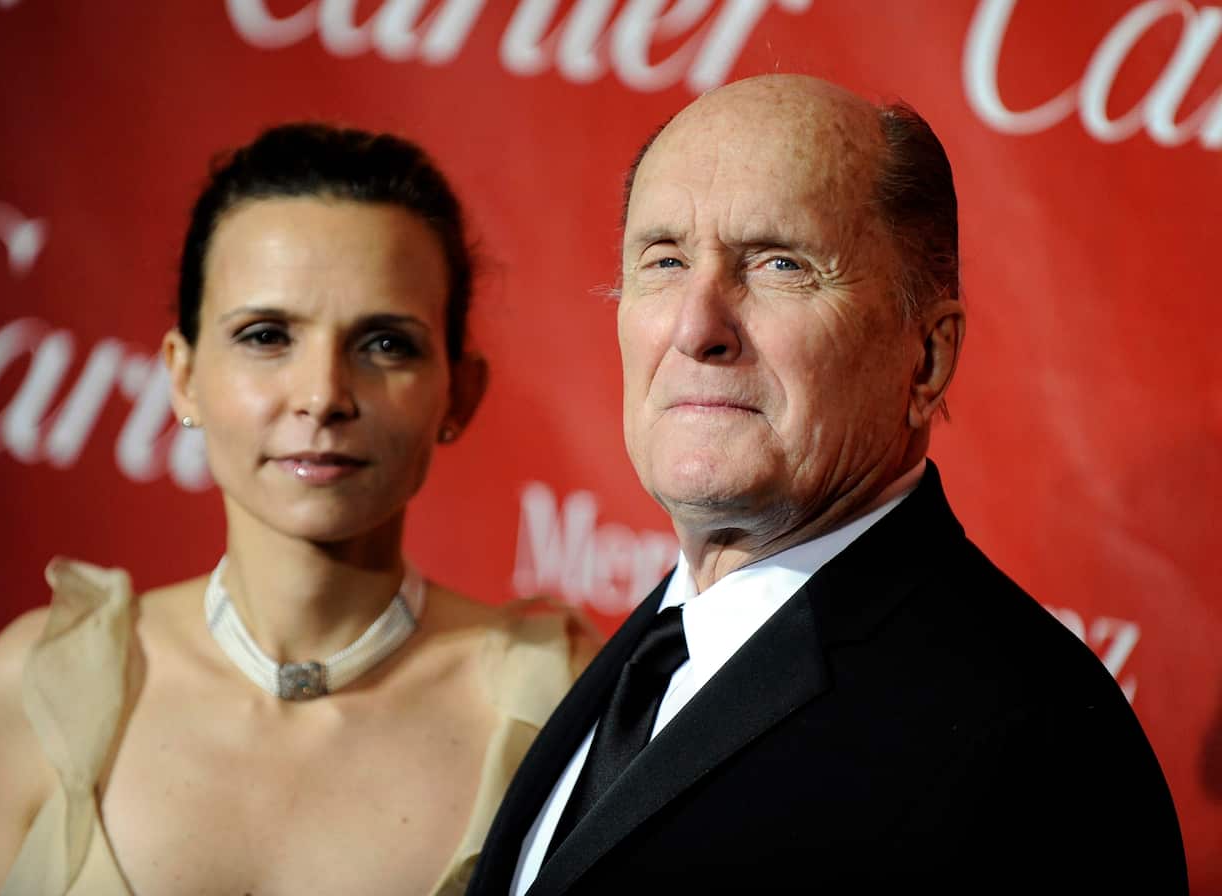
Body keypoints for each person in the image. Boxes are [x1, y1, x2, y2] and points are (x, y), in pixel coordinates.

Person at [469, 74, 1188, 894]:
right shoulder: (647, 656)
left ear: (927, 358)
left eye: (781, 264)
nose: (696, 325)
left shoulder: (1034, 749)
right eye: (664, 260)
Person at [0, 123, 595, 895]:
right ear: (184, 376)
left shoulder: (562, 706)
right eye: (266, 336)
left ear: (458, 393)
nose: (323, 395)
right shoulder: (44, 679)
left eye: (386, 344)